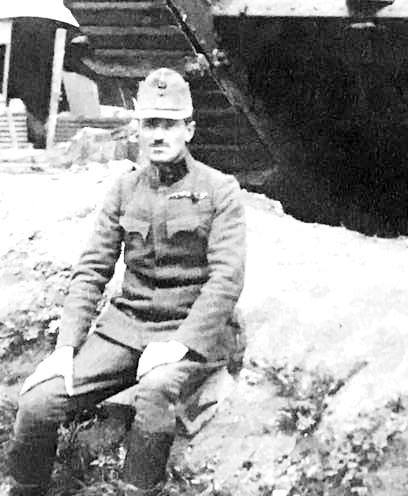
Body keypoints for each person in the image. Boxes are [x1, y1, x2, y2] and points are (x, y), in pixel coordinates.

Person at [8, 68, 246, 494]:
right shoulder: (124, 189)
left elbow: (227, 279)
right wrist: (65, 349)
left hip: (189, 331)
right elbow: (92, 269)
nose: (159, 134)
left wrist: (180, 344)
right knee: (38, 402)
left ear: (189, 130)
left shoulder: (219, 190)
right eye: (150, 123)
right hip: (125, 329)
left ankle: (137, 489)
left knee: (154, 390)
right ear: (138, 129)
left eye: (169, 124)